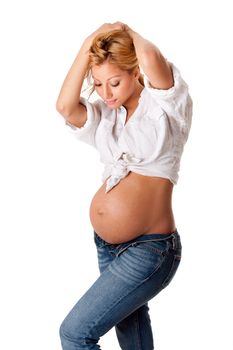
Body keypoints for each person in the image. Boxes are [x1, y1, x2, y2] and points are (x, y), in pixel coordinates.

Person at [56, 21, 192, 350]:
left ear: (134, 71)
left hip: (150, 250)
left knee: (75, 334)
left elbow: (153, 61)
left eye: (114, 82)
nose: (105, 93)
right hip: (108, 246)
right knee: (130, 328)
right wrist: (89, 42)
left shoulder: (166, 106)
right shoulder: (106, 114)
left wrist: (127, 33)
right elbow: (64, 106)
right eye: (98, 84)